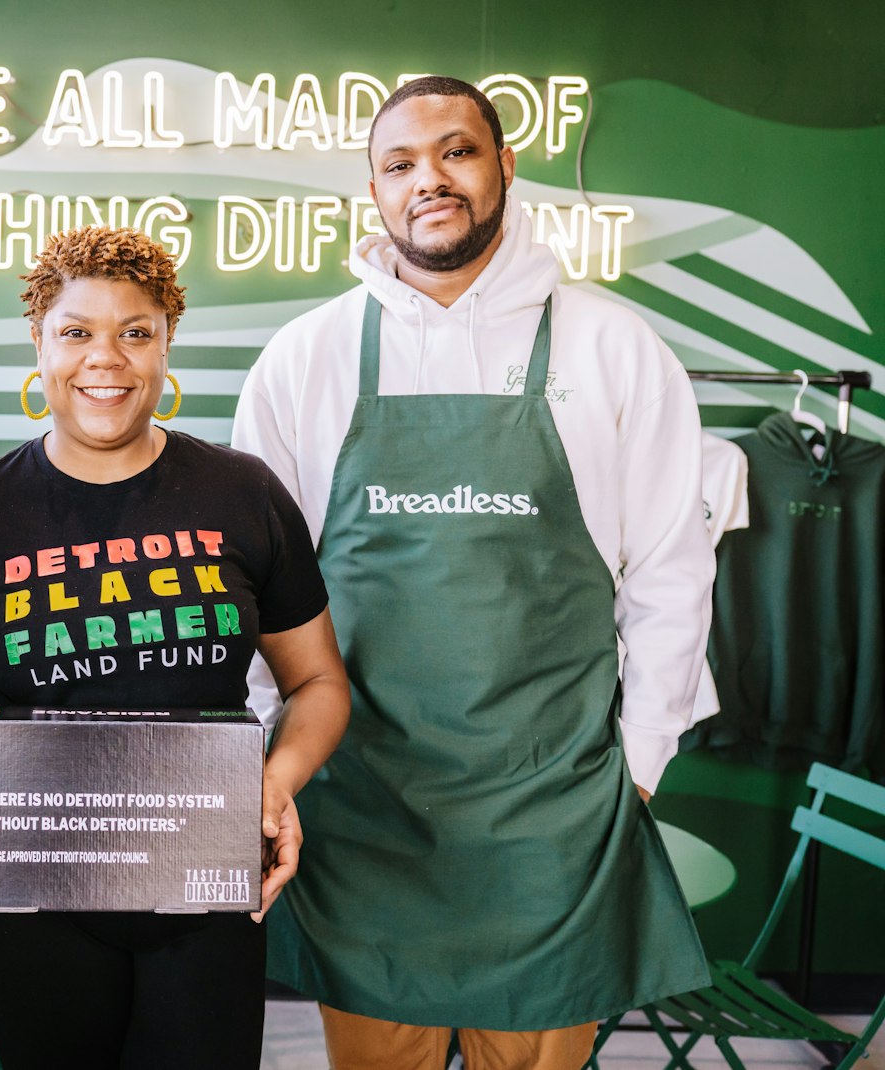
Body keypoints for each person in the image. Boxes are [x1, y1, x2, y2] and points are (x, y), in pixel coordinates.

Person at [231, 76, 714, 1070]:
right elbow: (258, 595)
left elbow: (670, 572)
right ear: (373, 193)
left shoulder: (613, 347)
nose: (429, 180)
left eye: (455, 151)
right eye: (400, 164)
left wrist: (639, 764)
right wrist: (265, 761)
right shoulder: (304, 357)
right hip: (364, 807)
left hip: (551, 814)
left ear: (503, 167)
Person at [0, 226, 350, 1070]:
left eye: (136, 332)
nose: (107, 358)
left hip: (203, 874)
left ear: (168, 343)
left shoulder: (241, 492)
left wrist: (275, 785)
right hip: (26, 884)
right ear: (39, 343)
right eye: (77, 332)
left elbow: (319, 682)